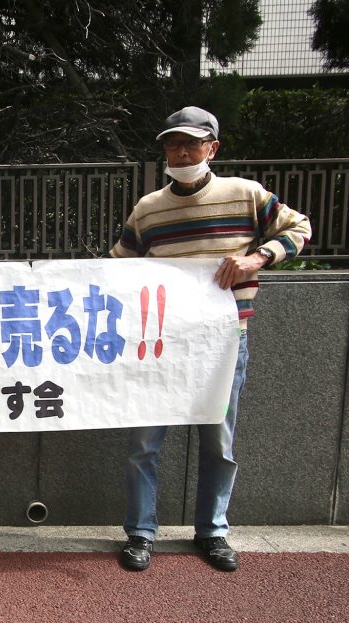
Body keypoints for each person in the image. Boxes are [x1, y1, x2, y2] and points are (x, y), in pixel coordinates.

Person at [110, 107, 311, 572]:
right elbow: (119, 265)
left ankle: (213, 532)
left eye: (191, 143)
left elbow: (299, 227)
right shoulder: (148, 208)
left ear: (212, 148)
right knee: (144, 443)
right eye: (172, 144)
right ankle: (140, 533)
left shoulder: (246, 195)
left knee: (219, 443)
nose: (181, 152)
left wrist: (257, 258)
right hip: (160, 343)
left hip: (224, 342)